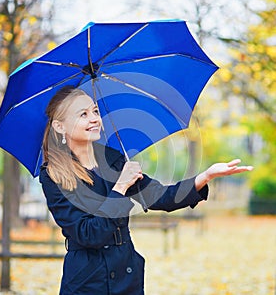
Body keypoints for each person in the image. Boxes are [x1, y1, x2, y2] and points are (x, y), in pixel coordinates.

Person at [39, 86, 253, 295]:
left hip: (126, 274)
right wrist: (121, 186)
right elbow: (88, 234)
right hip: (86, 280)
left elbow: (161, 197)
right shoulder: (53, 175)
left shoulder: (113, 159)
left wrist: (206, 176)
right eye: (83, 114)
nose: (94, 118)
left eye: (95, 111)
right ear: (60, 126)